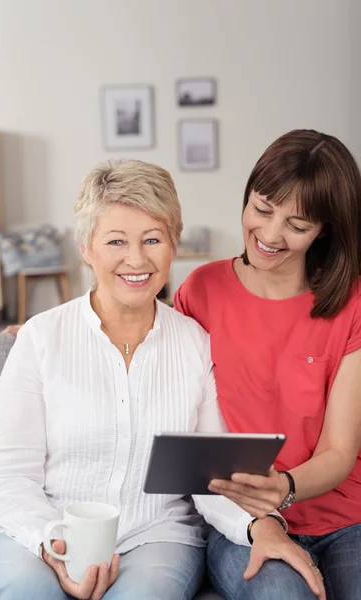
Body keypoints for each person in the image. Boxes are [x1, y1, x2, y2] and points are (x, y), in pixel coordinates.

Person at [0, 159, 312, 600]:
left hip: (155, 538)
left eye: (152, 239)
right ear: (86, 246)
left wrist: (257, 527)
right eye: (116, 241)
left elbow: (212, 480)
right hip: (39, 531)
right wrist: (54, 544)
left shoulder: (195, 344)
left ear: (174, 243)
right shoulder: (41, 339)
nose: (136, 259)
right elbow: (10, 479)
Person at [175, 129, 361, 600]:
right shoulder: (200, 291)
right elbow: (153, 360)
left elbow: (340, 451)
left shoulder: (351, 303)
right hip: (242, 521)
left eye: (297, 225)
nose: (270, 234)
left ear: (326, 230)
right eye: (261, 209)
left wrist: (286, 486)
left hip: (344, 517)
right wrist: (54, 327)